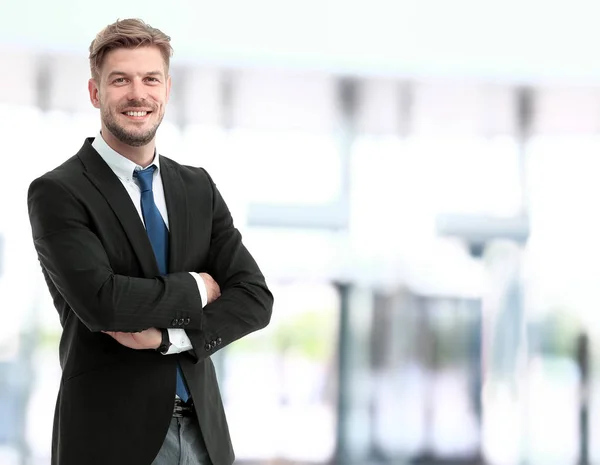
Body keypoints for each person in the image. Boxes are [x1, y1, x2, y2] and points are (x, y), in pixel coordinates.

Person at [26, 18, 273, 465]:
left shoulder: (198, 188)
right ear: (95, 92)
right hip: (111, 440)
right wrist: (199, 288)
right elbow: (103, 302)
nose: (137, 94)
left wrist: (169, 338)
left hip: (205, 437)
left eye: (150, 79)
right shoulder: (59, 192)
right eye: (120, 80)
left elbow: (255, 298)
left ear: (166, 89)